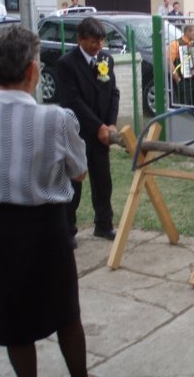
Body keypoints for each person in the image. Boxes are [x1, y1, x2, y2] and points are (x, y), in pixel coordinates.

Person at [0, 25, 88, 377]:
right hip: (43, 228)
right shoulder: (56, 119)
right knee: (65, 313)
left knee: (13, 322)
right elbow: (79, 172)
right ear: (32, 70)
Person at [57, 17, 120, 243]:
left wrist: (110, 124)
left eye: (101, 41)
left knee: (103, 180)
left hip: (102, 133)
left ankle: (104, 224)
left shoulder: (106, 60)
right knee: (74, 182)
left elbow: (113, 92)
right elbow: (72, 101)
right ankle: (68, 230)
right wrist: (98, 126)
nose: (98, 46)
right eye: (93, 41)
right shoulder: (67, 64)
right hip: (78, 132)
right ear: (80, 39)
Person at [167, 24, 194, 106]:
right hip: (183, 80)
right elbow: (169, 61)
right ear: (187, 32)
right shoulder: (175, 44)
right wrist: (177, 78)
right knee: (184, 103)